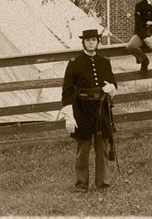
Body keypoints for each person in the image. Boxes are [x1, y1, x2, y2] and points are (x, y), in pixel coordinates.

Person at [60, 29, 117, 192]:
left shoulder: (105, 62)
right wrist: (69, 115)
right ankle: (81, 184)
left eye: (94, 40)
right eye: (88, 40)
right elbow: (67, 91)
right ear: (83, 42)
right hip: (82, 110)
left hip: (101, 109)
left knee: (102, 149)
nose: (91, 42)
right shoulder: (74, 63)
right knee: (83, 150)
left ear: (98, 42)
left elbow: (114, 84)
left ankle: (102, 183)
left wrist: (111, 88)